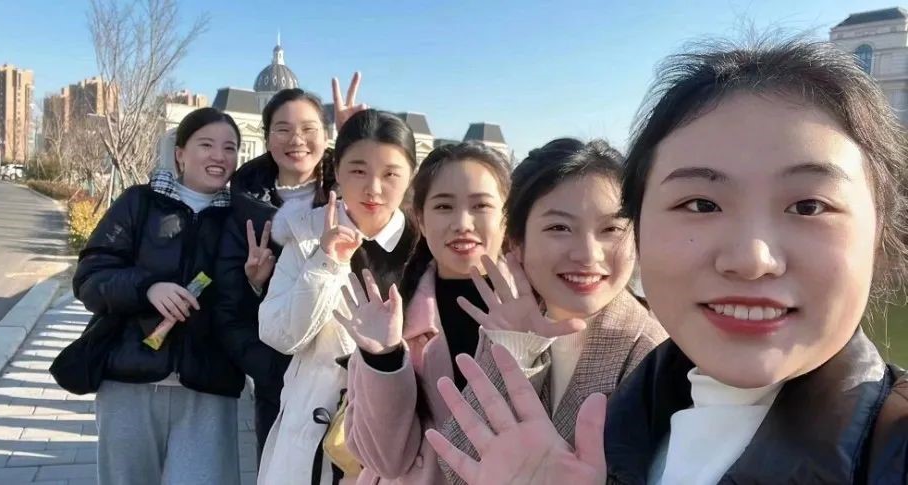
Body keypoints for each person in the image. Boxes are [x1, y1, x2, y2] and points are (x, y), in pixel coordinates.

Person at [426, 38, 908, 484]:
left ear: (882, 233)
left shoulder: (894, 446)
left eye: (809, 206)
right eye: (701, 204)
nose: (750, 259)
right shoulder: (647, 409)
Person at [434, 138, 666, 484]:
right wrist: (517, 348)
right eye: (559, 228)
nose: (588, 255)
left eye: (612, 229)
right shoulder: (511, 326)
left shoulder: (654, 357)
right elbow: (458, 467)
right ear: (517, 243)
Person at [337, 141, 547, 484]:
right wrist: (383, 361)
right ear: (421, 218)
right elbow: (384, 462)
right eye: (444, 206)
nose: (462, 223)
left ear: (507, 217)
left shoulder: (542, 307)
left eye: (481, 205)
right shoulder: (393, 315)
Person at [72, 107, 243, 484]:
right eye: (206, 145)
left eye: (230, 148)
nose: (219, 156)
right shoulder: (140, 203)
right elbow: (90, 277)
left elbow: (245, 306)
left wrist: (256, 281)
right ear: (180, 153)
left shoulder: (240, 218)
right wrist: (146, 288)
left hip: (209, 385)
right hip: (129, 381)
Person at [257, 109, 419, 484]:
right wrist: (326, 263)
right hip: (312, 430)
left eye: (390, 174)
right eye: (358, 171)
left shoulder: (423, 248)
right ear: (338, 171)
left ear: (410, 175)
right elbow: (279, 335)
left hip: (395, 441)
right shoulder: (307, 234)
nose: (373, 188)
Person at [214, 76, 362, 458]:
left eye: (309, 129)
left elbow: (397, 216)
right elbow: (228, 309)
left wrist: (356, 145)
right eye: (283, 129)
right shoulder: (243, 211)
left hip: (350, 380)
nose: (297, 139)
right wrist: (255, 285)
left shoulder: (353, 196)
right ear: (266, 139)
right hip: (278, 383)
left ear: (326, 136)